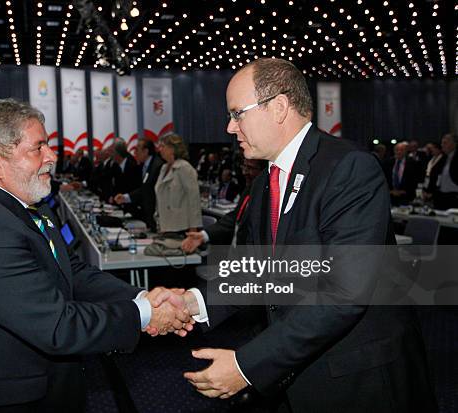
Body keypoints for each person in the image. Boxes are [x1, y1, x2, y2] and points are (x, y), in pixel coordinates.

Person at [156, 58, 436, 411]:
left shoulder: (348, 169)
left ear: (278, 107)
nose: (230, 127)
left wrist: (246, 365)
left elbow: (343, 293)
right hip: (299, 373)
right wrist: (192, 303)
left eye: (237, 113)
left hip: (359, 378)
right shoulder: (263, 185)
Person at [0, 99, 192, 412]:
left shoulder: (31, 207)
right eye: (38, 148)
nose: (52, 156)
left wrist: (143, 296)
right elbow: (58, 325)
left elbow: (71, 271)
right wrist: (144, 314)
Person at [182, 159, 265, 253]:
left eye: (250, 168)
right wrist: (204, 235)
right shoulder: (249, 189)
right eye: (244, 166)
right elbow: (236, 217)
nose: (244, 172)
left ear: (264, 171)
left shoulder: (270, 197)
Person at [154, 134, 202, 233]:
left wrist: (194, 228)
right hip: (164, 224)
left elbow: (194, 199)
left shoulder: (184, 168)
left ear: (172, 149)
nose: (160, 149)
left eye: (163, 146)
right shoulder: (163, 168)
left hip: (181, 226)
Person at [114, 138, 164, 231]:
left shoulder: (157, 166)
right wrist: (125, 197)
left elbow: (149, 190)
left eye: (137, 149)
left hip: (158, 216)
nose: (134, 152)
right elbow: (143, 188)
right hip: (149, 215)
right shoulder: (144, 165)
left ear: (145, 151)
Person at [384, 142, 419, 206]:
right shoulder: (388, 162)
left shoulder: (413, 163)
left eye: (401, 150)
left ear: (406, 151)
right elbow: (385, 178)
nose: (399, 152)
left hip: (406, 196)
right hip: (390, 196)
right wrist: (390, 191)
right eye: (397, 150)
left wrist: (404, 191)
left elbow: (415, 180)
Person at [435, 133, 458, 210]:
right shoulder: (443, 158)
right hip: (442, 195)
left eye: (445, 143)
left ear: (453, 144)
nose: (442, 145)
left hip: (454, 195)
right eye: (442, 143)